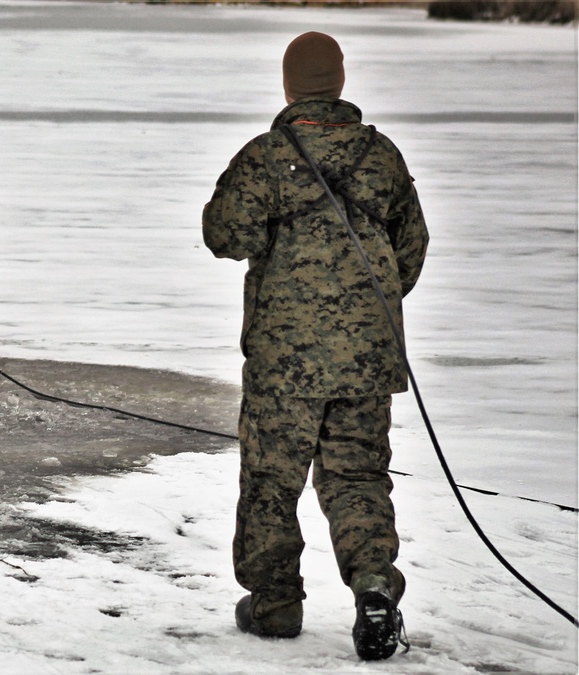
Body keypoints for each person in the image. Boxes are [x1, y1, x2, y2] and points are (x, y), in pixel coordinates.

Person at [202, 32, 428, 660]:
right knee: (357, 476)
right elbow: (410, 248)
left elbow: (223, 234)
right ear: (340, 81)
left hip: (285, 360)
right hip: (367, 358)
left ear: (288, 85)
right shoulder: (380, 156)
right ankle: (375, 586)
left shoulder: (267, 157)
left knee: (272, 479)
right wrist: (359, 319)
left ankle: (274, 605)